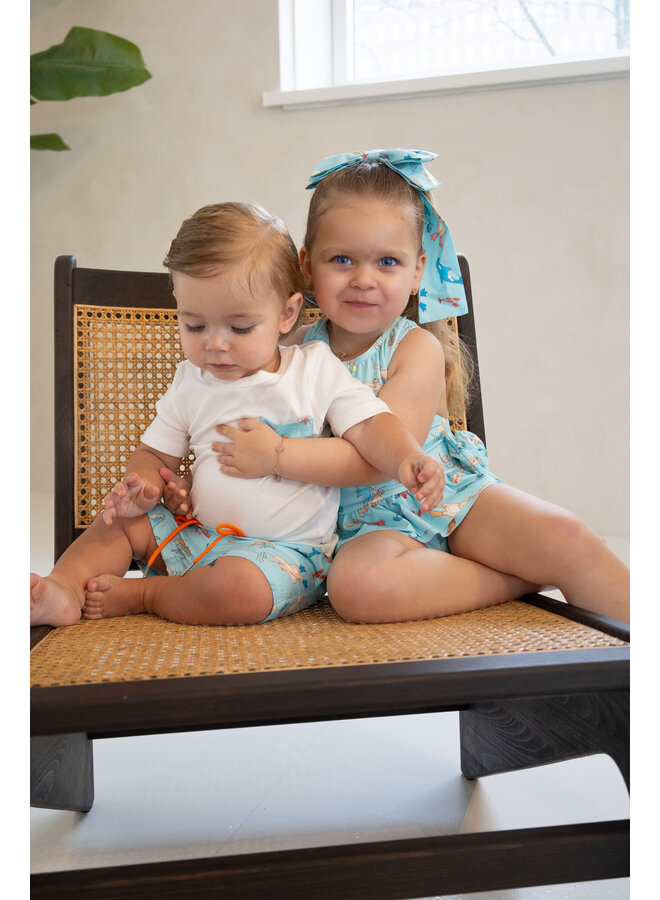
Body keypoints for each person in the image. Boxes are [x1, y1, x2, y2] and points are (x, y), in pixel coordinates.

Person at [205, 150, 629, 624]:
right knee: (358, 590)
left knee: (563, 536)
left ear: (416, 272)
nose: (364, 279)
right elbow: (235, 419)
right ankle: (517, 579)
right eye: (342, 259)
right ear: (307, 265)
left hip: (450, 497)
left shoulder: (414, 348)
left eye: (387, 261)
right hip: (362, 531)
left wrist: (278, 455)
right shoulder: (292, 350)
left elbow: (380, 458)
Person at [29, 200, 445, 628]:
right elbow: (153, 456)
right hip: (194, 536)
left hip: (284, 558)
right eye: (195, 326)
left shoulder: (314, 369)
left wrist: (405, 457)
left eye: (240, 328)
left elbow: (371, 425)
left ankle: (146, 593)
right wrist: (146, 487)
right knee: (119, 522)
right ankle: (64, 588)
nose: (215, 344)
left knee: (237, 590)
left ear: (286, 314)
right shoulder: (190, 382)